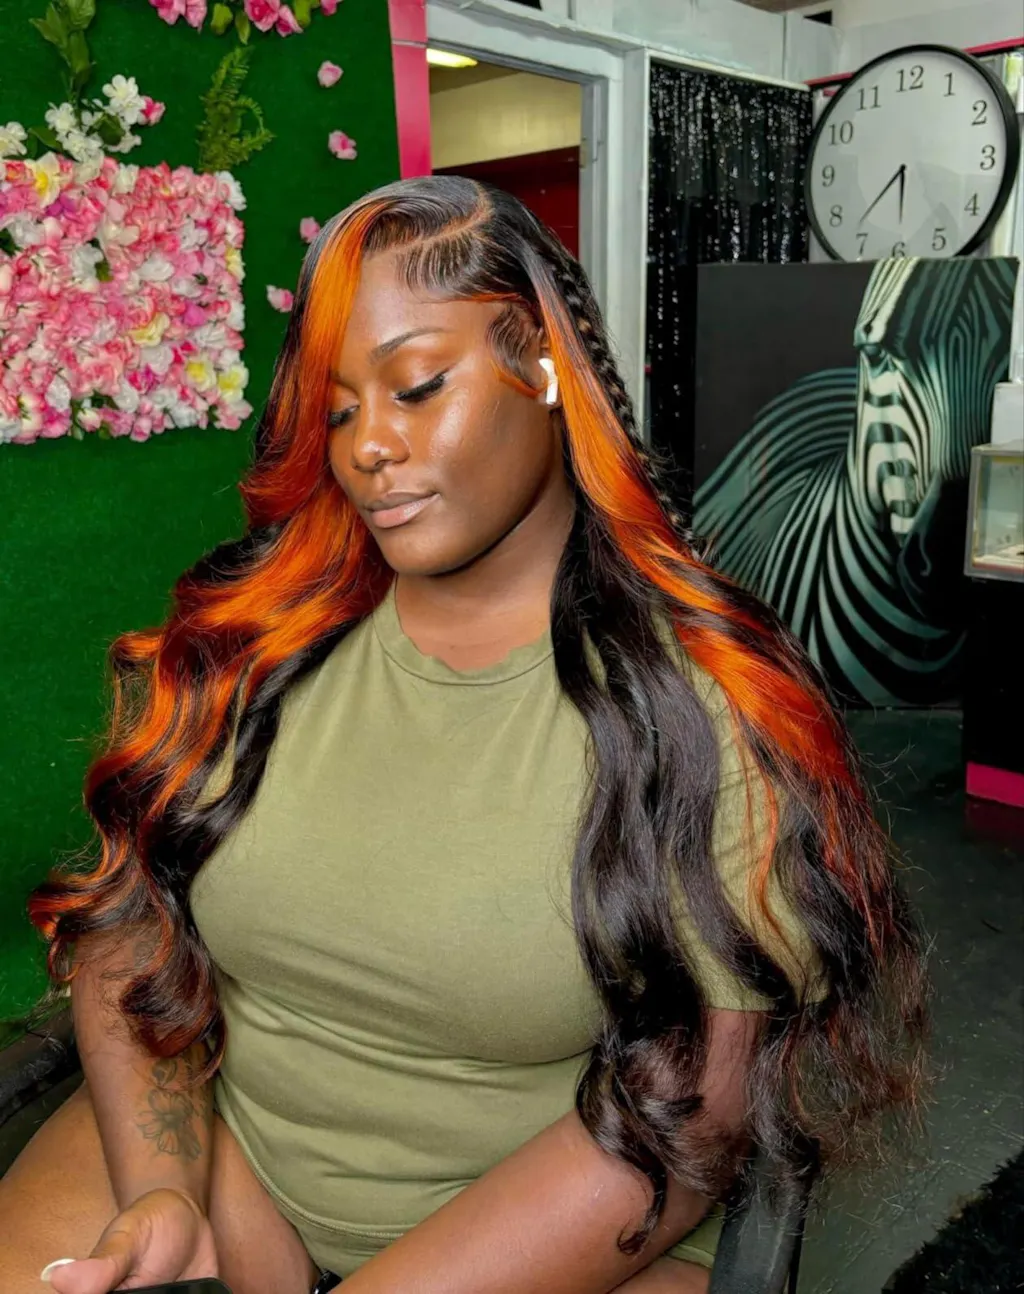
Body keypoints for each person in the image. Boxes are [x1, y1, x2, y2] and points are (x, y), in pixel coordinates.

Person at [0, 177, 928, 1294]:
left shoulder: (703, 712)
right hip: (227, 1161)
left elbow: (693, 1116)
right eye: (339, 409)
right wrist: (173, 1191)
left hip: (567, 1236)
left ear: (544, 365)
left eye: (416, 387)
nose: (368, 447)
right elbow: (127, 934)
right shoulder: (250, 647)